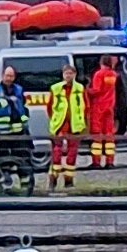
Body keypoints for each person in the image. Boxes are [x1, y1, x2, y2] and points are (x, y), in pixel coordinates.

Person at [46, 59, 87, 191]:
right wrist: (56, 119)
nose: (68, 76)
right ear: (63, 75)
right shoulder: (56, 88)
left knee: (72, 154)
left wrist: (83, 123)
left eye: (70, 73)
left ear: (74, 74)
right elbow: (49, 107)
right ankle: (53, 180)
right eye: (66, 73)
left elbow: (86, 106)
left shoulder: (80, 89)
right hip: (60, 125)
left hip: (74, 126)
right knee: (56, 154)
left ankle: (68, 181)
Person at [85, 55, 119, 172]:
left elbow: (96, 90)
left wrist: (86, 90)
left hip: (98, 106)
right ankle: (110, 161)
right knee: (109, 134)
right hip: (110, 106)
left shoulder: (99, 74)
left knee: (97, 135)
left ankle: (96, 161)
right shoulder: (113, 74)